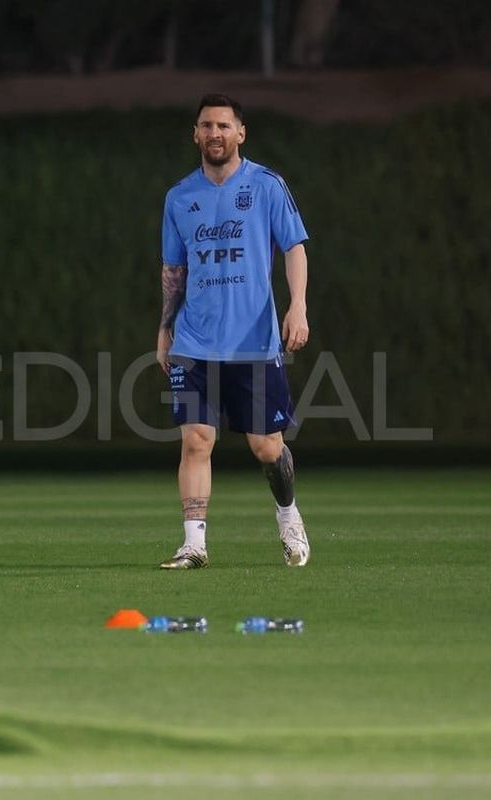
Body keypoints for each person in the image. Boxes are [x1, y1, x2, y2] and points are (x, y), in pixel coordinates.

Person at [155, 93, 311, 570]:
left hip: (253, 341)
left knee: (266, 446)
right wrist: (164, 328)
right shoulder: (179, 197)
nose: (214, 133)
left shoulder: (266, 185)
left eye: (224, 125)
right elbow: (173, 269)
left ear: (240, 133)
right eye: (206, 126)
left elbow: (294, 246)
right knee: (197, 439)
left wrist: (298, 306)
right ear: (195, 134)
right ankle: (194, 544)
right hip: (195, 340)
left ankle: (288, 516)